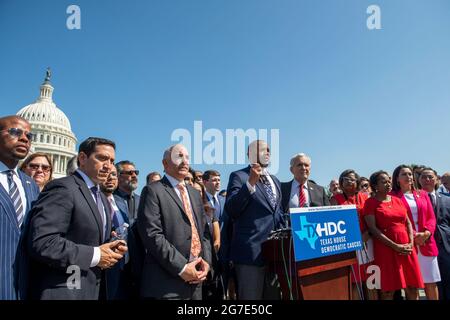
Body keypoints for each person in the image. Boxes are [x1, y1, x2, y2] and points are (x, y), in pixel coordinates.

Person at [25, 137, 128, 300]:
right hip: (63, 290)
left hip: (91, 289)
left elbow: (89, 239)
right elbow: (43, 242)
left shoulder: (100, 196)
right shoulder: (63, 188)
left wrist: (111, 247)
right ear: (82, 158)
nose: (108, 165)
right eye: (101, 158)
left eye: (111, 160)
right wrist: (96, 255)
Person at [137, 144, 211, 299]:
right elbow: (152, 235)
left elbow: (203, 232)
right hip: (166, 283)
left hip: (196, 280)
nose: (185, 161)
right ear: (165, 163)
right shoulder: (153, 191)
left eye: (187, 157)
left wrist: (206, 262)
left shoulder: (194, 194)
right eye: (179, 156)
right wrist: (182, 268)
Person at [225, 140, 285, 300]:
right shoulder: (239, 176)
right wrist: (250, 183)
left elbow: (277, 214)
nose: (266, 153)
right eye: (261, 150)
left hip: (275, 255)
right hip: (250, 256)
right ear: (249, 155)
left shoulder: (276, 181)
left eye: (268, 150)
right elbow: (231, 209)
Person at [363, 171, 423, 300]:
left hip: (406, 248)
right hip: (386, 249)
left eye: (389, 180)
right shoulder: (370, 203)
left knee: (412, 287)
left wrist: (411, 243)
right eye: (383, 181)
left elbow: (407, 222)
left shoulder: (397, 200)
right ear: (375, 186)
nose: (388, 183)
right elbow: (373, 229)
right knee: (388, 290)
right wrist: (395, 246)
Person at [0, 115, 40, 300]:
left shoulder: (30, 185)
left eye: (29, 135)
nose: (24, 138)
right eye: (15, 132)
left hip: (23, 287)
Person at [391, 165, 440, 300]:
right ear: (397, 179)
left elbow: (431, 217)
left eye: (410, 174)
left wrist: (426, 234)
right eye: (404, 174)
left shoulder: (422, 194)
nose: (408, 177)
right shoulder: (392, 197)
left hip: (427, 243)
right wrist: (413, 235)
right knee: (411, 285)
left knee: (430, 283)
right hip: (407, 243)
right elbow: (396, 220)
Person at [330, 169, 377, 300]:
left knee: (372, 281)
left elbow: (373, 219)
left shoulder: (366, 197)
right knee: (354, 281)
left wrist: (367, 234)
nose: (350, 181)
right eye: (346, 178)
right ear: (341, 181)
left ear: (357, 182)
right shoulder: (335, 199)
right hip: (348, 245)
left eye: (353, 179)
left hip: (367, 241)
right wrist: (353, 239)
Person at [100, 167, 133, 299]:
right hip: (102, 264)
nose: (110, 178)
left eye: (113, 174)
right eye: (106, 174)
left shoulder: (121, 202)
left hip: (123, 266)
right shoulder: (94, 200)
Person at [419, 167, 450, 299]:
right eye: (424, 177)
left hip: (445, 245)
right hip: (424, 245)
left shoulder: (446, 199)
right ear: (418, 180)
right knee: (431, 281)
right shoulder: (415, 200)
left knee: (447, 278)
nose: (427, 179)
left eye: (430, 177)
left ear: (437, 180)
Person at [114, 161, 140, 225]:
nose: (134, 176)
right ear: (118, 176)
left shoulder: (141, 200)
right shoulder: (109, 199)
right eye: (130, 173)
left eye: (136, 172)